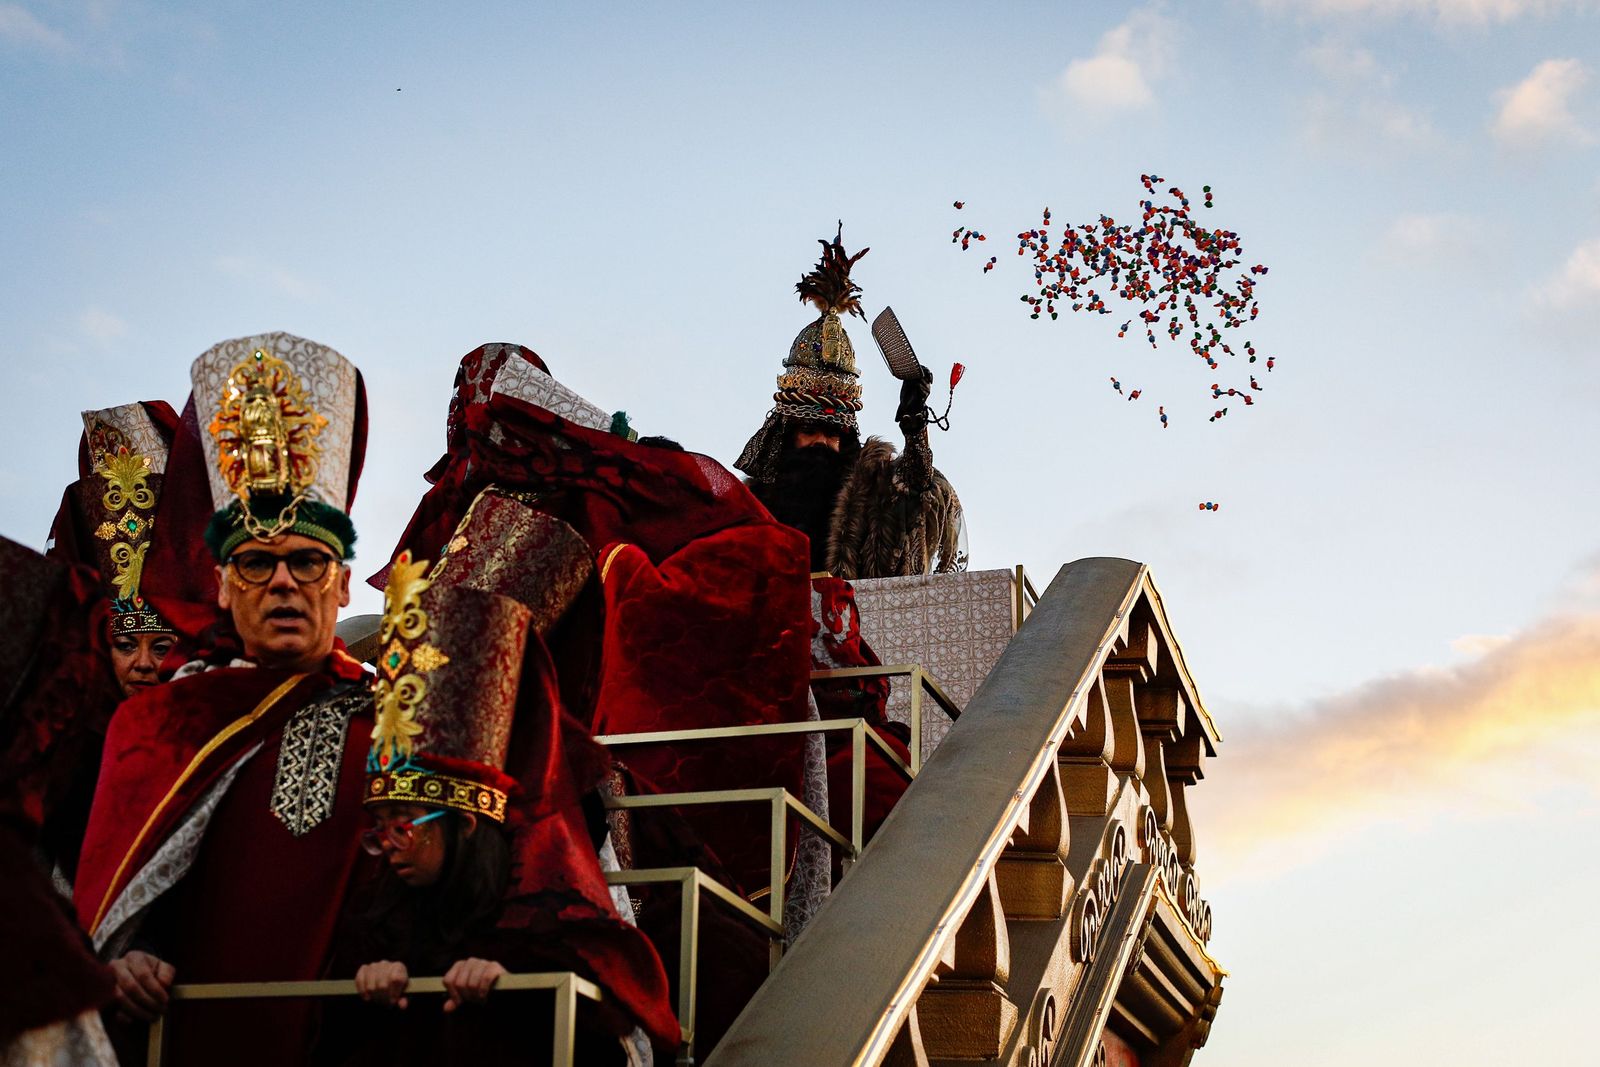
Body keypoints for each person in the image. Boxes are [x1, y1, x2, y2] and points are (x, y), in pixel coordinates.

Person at [73, 332, 376, 1066]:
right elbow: (119, 897)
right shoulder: (160, 720)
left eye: (308, 562)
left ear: (340, 585)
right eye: (255, 563)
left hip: (361, 1035)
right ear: (220, 585)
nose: (282, 583)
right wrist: (132, 952)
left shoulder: (398, 711)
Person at [317, 520, 673, 1063]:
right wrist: (366, 978)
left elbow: (609, 997)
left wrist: (515, 981)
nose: (386, 844)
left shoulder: (547, 914)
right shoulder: (380, 909)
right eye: (379, 827)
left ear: (464, 822)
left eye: (404, 823)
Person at [734, 224, 964, 580]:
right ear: (786, 434)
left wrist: (915, 426)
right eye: (809, 430)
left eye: (832, 433)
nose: (822, 443)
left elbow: (919, 488)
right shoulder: (751, 505)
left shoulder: (873, 488)